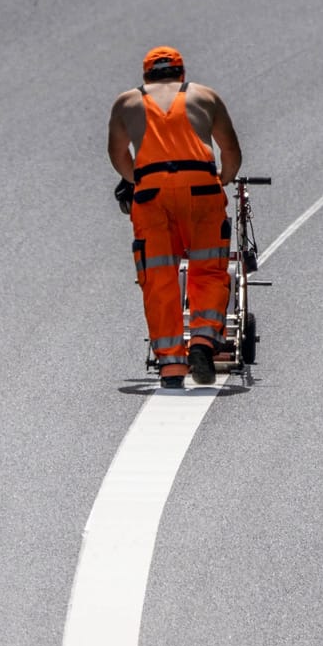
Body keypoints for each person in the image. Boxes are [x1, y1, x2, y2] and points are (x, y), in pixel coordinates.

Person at [108, 46, 243, 389]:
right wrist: (223, 179)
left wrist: (137, 181)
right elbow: (230, 151)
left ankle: (170, 367)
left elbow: (118, 153)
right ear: (181, 73)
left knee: (159, 278)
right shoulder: (204, 96)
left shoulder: (127, 102)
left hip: (152, 194)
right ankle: (201, 342)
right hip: (200, 188)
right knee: (208, 269)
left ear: (145, 76)